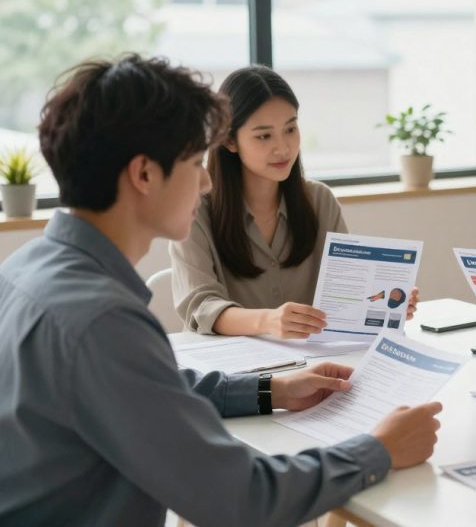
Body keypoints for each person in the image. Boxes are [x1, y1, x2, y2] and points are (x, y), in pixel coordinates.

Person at [0, 55, 442, 526]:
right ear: (144, 174)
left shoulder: (24, 269)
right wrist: (378, 450)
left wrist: (270, 389)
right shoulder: (101, 320)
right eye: (195, 162)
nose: (208, 179)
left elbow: (150, 390)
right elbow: (241, 498)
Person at [170, 65, 418, 338]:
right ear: (230, 140)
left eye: (290, 128)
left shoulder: (320, 200)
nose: (283, 147)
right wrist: (269, 321)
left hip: (310, 365)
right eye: (264, 135)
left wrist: (386, 302)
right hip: (233, 373)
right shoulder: (193, 210)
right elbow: (201, 307)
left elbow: (345, 291)